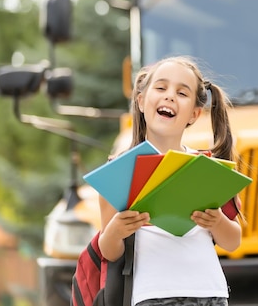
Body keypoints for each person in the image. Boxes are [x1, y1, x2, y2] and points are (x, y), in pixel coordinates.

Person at [97, 56, 242, 306]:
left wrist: (217, 221)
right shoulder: (120, 170)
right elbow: (109, 252)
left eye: (182, 93)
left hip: (210, 294)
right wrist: (116, 231)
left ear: (194, 115)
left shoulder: (207, 168)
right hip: (150, 296)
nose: (170, 96)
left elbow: (233, 242)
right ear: (141, 101)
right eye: (161, 88)